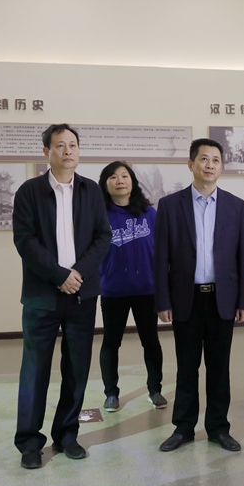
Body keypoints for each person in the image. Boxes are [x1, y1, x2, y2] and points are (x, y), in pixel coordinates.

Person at [12, 124, 111, 469]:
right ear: (47, 152)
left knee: (77, 368)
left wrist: (77, 273)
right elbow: (25, 241)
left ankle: (67, 435)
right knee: (35, 370)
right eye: (60, 145)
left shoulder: (91, 190)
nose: (68, 151)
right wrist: (59, 276)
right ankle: (29, 442)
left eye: (73, 145)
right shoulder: (30, 191)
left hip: (82, 294)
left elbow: (103, 236)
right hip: (42, 295)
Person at [153, 138, 244, 452]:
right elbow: (161, 257)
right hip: (186, 299)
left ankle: (218, 428)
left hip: (223, 299)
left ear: (222, 166)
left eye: (216, 160)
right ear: (191, 164)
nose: (210, 165)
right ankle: (183, 428)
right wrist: (163, 300)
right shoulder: (170, 205)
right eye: (204, 159)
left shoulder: (236, 206)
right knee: (187, 368)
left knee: (219, 369)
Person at [97, 161, 165, 412]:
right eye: (113, 177)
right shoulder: (99, 215)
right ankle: (111, 393)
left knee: (151, 341)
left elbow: (162, 250)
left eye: (124, 176)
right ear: (105, 184)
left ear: (133, 182)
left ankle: (155, 390)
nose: (120, 181)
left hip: (146, 290)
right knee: (111, 343)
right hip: (113, 290)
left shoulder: (149, 213)